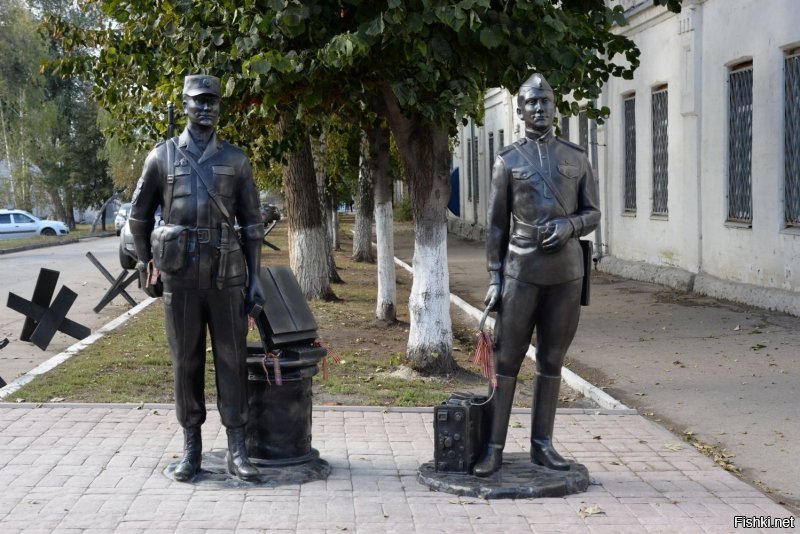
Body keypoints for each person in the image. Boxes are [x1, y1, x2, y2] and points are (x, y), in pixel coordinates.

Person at [129, 74, 265, 481]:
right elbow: (138, 216)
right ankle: (192, 448)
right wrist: (144, 263)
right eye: (197, 101)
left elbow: (253, 225)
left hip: (227, 275)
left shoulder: (236, 160)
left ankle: (237, 449)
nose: (205, 108)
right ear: (184, 105)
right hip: (181, 276)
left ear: (220, 108)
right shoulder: (163, 157)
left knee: (232, 360)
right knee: (185, 361)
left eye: (212, 102)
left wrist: (255, 278)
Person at [473, 73, 600, 477]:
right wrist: (495, 279)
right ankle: (493, 447)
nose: (540, 108)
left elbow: (593, 212)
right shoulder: (508, 160)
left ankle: (542, 445)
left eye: (545, 101)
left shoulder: (577, 157)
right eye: (532, 102)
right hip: (520, 272)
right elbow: (495, 227)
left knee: (551, 360)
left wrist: (571, 227)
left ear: (554, 106)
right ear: (521, 109)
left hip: (566, 273)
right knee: (507, 360)